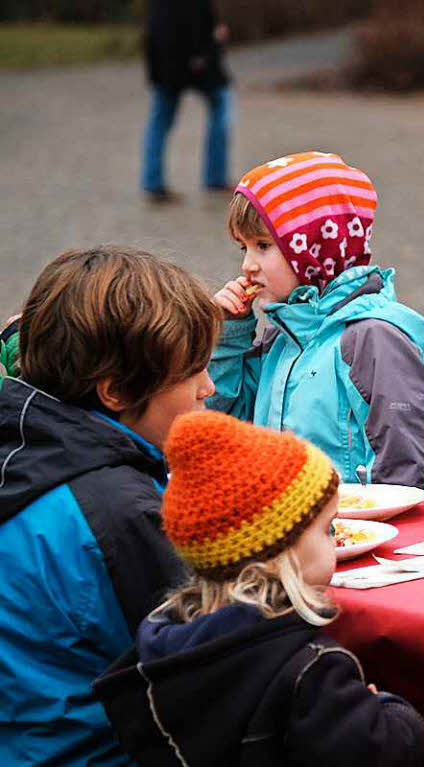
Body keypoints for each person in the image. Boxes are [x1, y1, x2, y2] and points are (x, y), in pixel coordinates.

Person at [93, 411, 424, 765]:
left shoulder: (159, 646)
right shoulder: (312, 669)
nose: (334, 539)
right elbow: (382, 753)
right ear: (280, 554)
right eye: (327, 529)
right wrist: (391, 710)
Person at [0, 247, 221, 765]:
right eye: (192, 374)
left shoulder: (28, 454)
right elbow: (209, 669)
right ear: (118, 390)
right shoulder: (119, 512)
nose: (208, 388)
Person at [209, 151, 424, 498]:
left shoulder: (373, 337)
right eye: (243, 247)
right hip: (286, 539)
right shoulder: (284, 334)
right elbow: (226, 428)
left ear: (315, 247)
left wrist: (388, 540)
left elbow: (407, 471)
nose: (247, 265)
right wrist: (229, 336)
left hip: (354, 538)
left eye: (262, 246)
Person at [142, 0, 231, 201]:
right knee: (221, 106)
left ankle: (152, 181)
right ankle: (215, 177)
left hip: (166, 67)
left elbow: (152, 30)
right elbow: (198, 24)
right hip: (196, 64)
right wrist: (213, 42)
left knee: (159, 122)